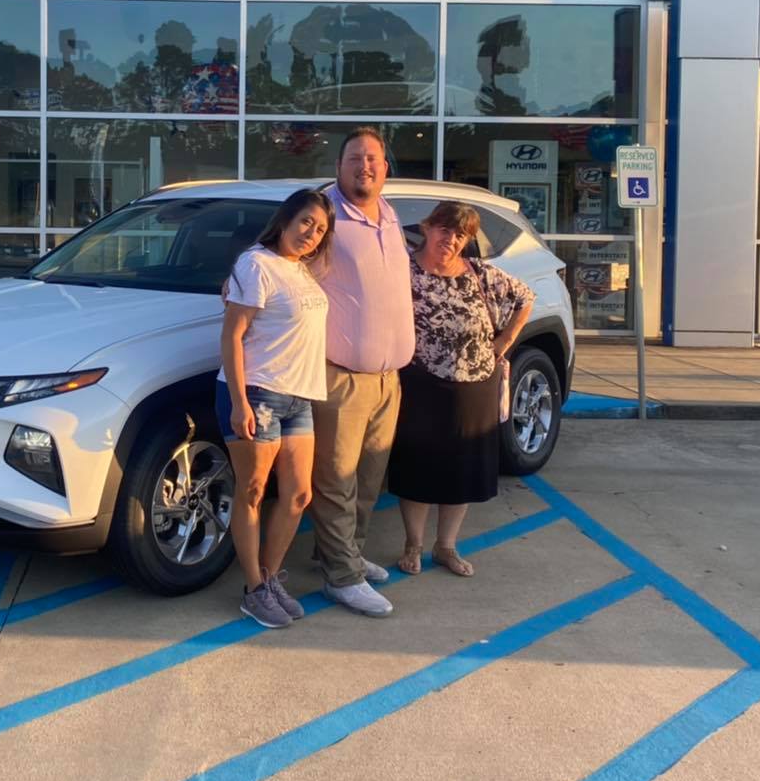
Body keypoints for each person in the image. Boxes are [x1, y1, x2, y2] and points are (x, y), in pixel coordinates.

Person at [387, 201, 534, 578]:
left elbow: (525, 298)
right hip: (420, 382)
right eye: (444, 229)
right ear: (427, 227)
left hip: (476, 385)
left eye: (460, 234)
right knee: (418, 465)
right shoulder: (402, 270)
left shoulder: (480, 272)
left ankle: (446, 546)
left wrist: (504, 341)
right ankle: (413, 544)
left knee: (463, 468)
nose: (450, 240)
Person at [217, 189, 335, 629]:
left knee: (299, 495)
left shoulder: (301, 268)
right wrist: (239, 402)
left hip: (299, 396)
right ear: (285, 220)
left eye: (320, 229)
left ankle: (268, 578)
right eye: (305, 222)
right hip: (259, 392)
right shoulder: (256, 264)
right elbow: (232, 335)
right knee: (252, 491)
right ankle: (254, 590)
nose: (311, 233)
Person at [309, 128, 415, 618]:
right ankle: (342, 578)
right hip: (341, 376)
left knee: (369, 478)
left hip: (388, 378)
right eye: (355, 158)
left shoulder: (389, 215)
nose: (365, 166)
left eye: (373, 158)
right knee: (336, 480)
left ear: (385, 168)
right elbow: (282, 262)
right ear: (338, 167)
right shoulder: (323, 216)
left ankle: (344, 553)